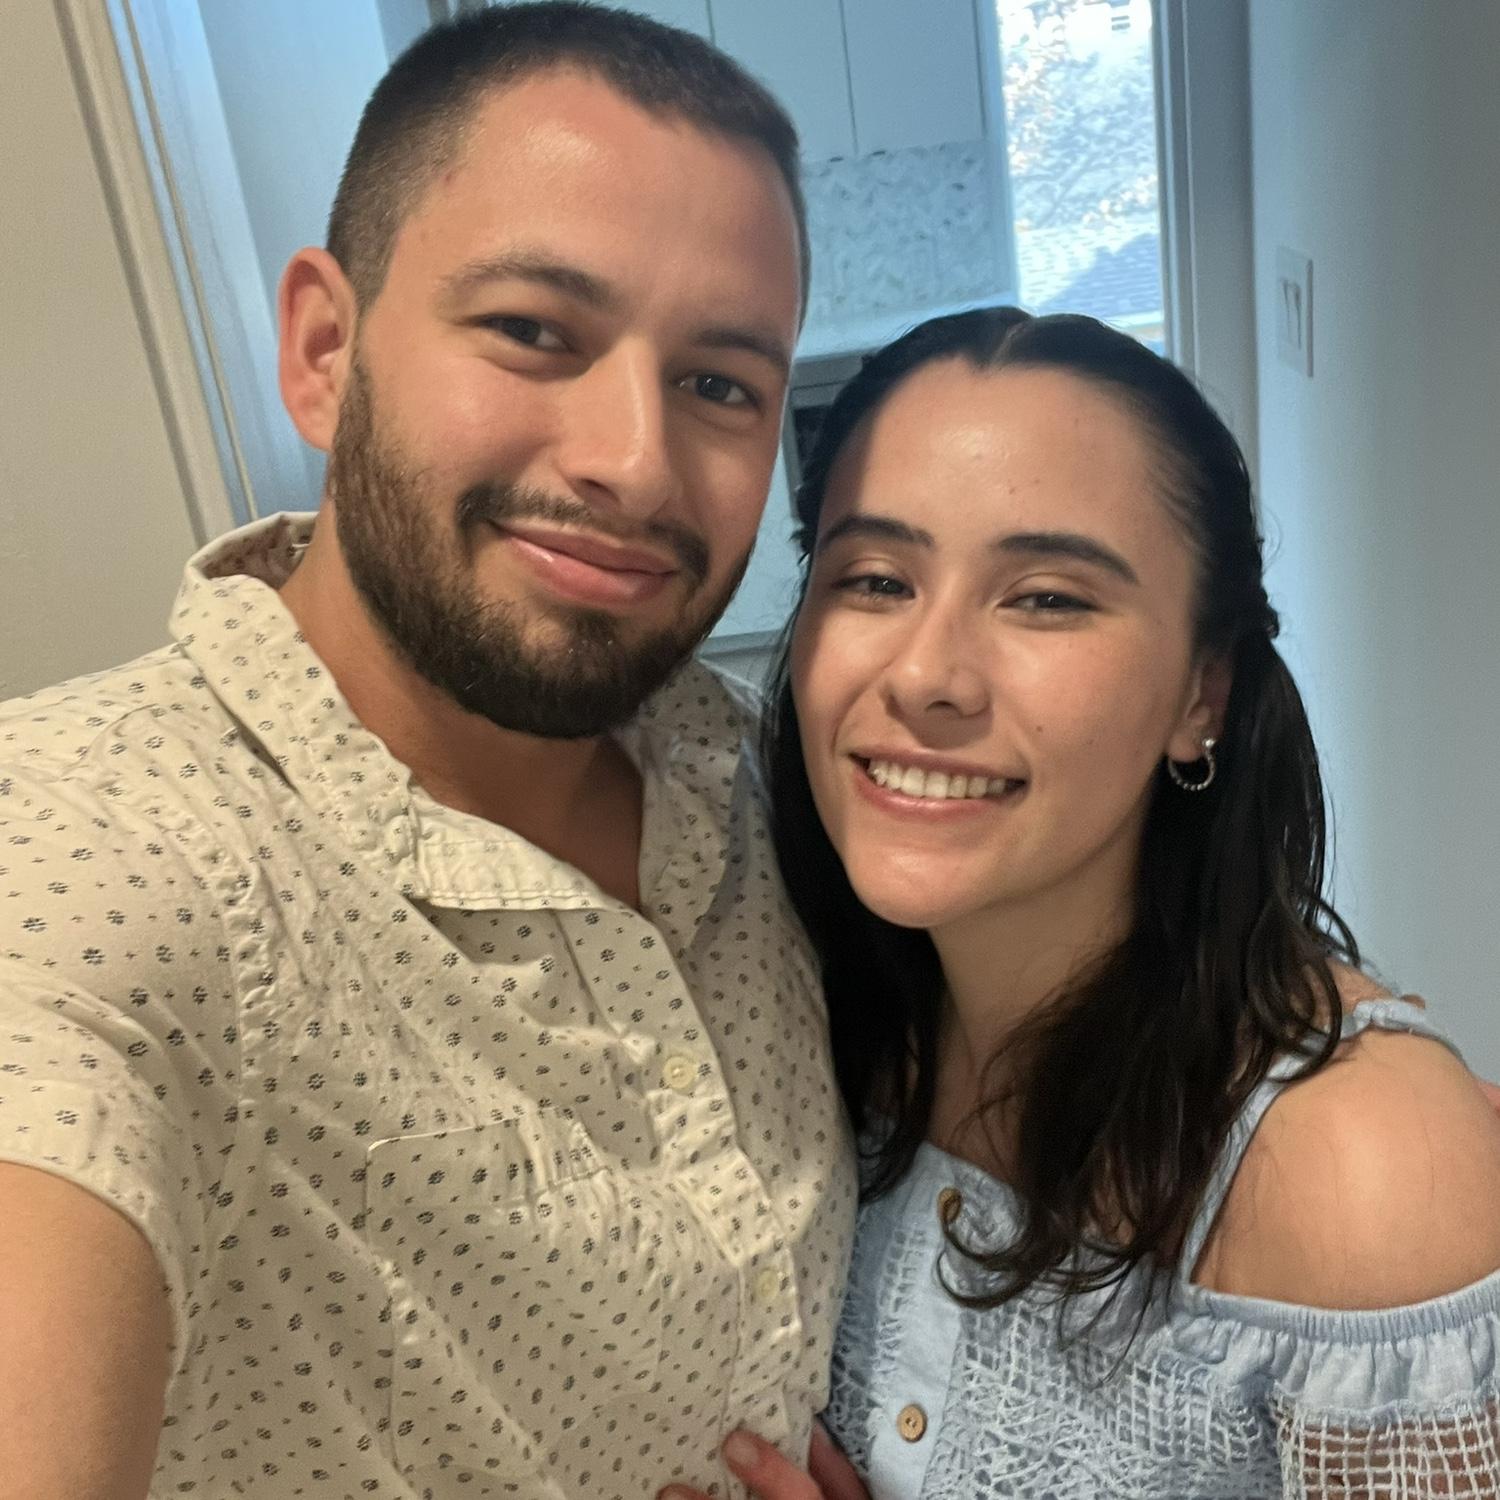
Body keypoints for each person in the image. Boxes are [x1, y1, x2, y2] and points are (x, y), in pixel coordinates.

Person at [0, 6, 860, 1498]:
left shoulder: (747, 778)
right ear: (325, 352)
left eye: (721, 382)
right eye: (534, 332)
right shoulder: (99, 852)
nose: (634, 461)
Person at [661, 307, 1500, 1500]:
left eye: (1047, 599)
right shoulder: (805, 1016)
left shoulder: (1354, 1170)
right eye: (876, 579)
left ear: (1201, 692)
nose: (926, 675)